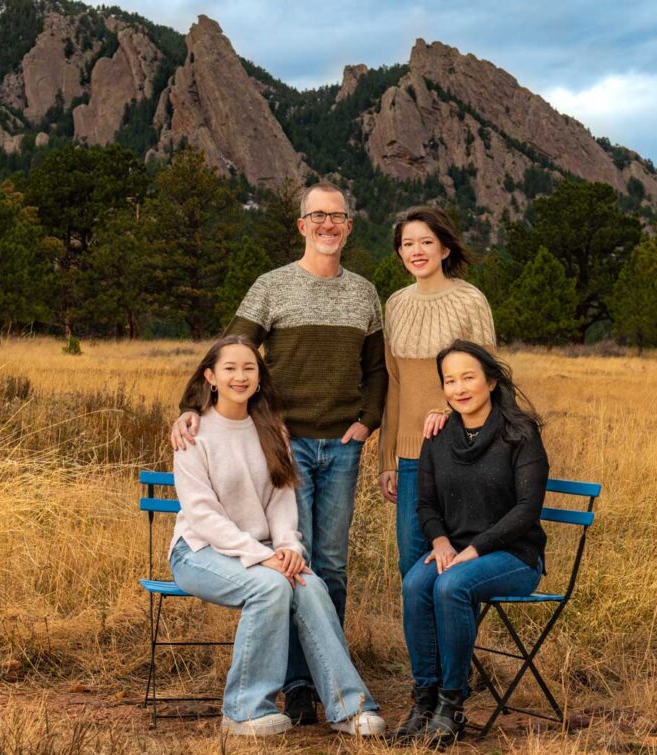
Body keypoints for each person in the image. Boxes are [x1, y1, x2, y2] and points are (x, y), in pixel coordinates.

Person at [170, 181, 388, 725]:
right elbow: (230, 354)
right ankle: (293, 689)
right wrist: (191, 406)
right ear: (301, 225)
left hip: (340, 443)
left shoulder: (364, 293)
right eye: (317, 216)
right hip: (283, 438)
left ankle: (321, 680)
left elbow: (376, 369)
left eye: (337, 216)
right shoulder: (272, 286)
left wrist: (369, 422)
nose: (327, 225)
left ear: (349, 225)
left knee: (328, 567)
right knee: (297, 562)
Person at [168, 336, 384, 737]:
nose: (240, 376)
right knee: (270, 588)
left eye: (249, 368)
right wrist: (262, 556)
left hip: (263, 553)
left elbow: (283, 503)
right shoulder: (194, 433)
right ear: (210, 376)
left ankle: (350, 707)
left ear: (259, 377)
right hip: (199, 553)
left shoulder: (271, 430)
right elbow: (202, 515)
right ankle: (244, 711)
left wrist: (287, 548)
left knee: (310, 584)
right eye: (230, 368)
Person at [395, 340, 549, 746]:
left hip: (513, 555)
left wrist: (473, 550)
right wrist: (441, 542)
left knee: (451, 585)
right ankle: (424, 701)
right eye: (450, 380)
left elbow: (526, 511)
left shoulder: (520, 433)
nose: (459, 388)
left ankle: (452, 705)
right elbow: (426, 504)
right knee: (414, 584)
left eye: (468, 377)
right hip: (456, 550)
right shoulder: (439, 434)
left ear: (491, 381)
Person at [378, 206, 495, 577]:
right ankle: (422, 640)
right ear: (399, 252)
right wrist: (387, 459)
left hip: (464, 453)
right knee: (411, 567)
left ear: (445, 248)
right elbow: (394, 384)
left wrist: (452, 414)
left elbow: (490, 379)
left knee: (457, 570)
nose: (417, 250)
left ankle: (454, 639)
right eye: (408, 243)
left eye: (427, 241)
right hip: (412, 458)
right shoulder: (395, 305)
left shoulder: (470, 300)